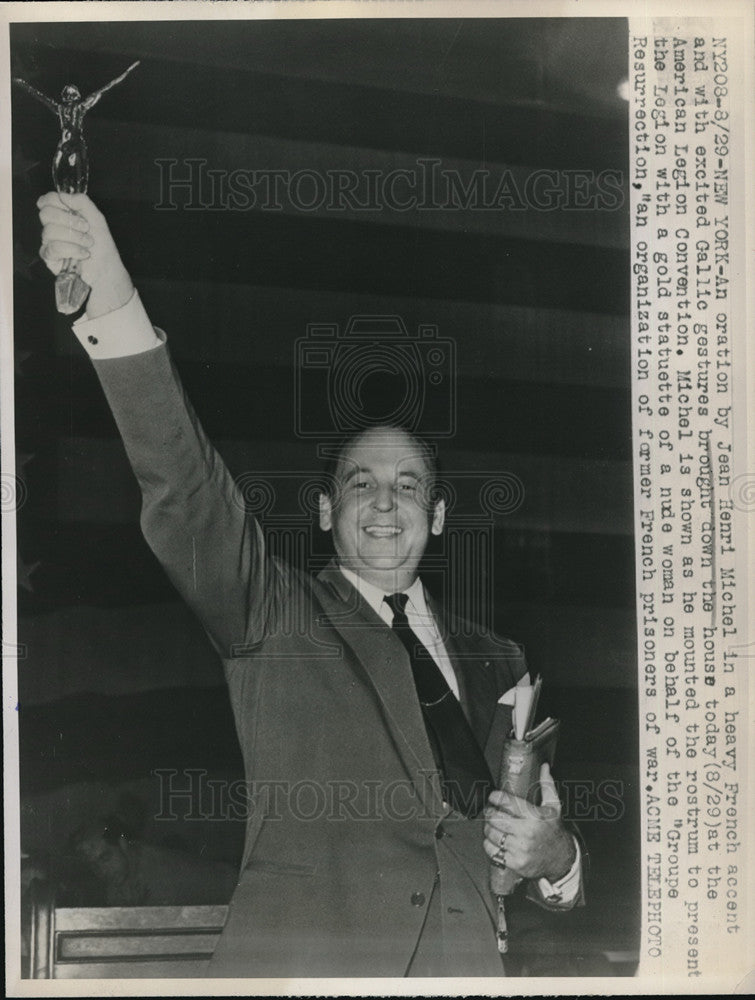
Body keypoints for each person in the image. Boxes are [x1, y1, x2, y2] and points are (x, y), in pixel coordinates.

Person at [35, 191, 584, 978]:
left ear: (437, 514)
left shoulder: (498, 658)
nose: (385, 502)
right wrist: (116, 303)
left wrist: (554, 854)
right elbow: (187, 486)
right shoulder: (272, 612)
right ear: (327, 512)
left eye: (406, 485)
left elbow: (524, 858)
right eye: (361, 483)